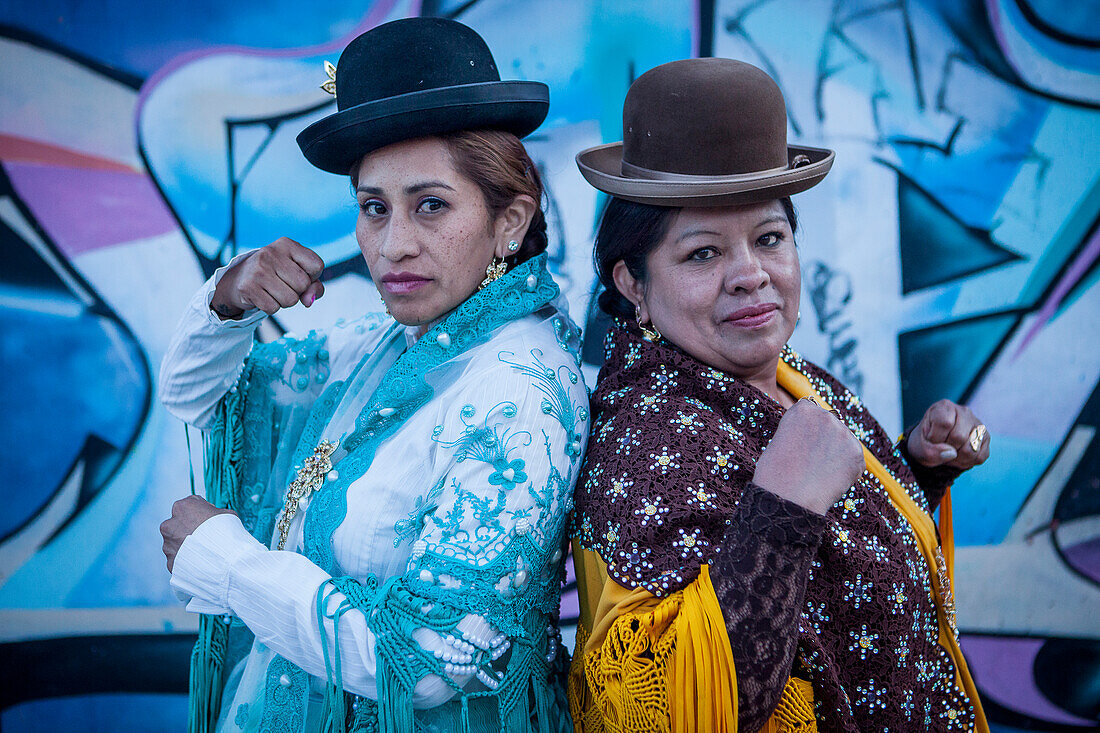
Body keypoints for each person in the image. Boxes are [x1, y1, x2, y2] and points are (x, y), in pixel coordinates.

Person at [158, 18, 587, 733]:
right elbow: (198, 395)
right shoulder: (382, 345)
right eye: (373, 208)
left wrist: (229, 563)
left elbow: (421, 660)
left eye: (430, 205)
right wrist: (230, 297)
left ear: (511, 219)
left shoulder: (522, 388)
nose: (392, 245)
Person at [566, 58, 991, 733]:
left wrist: (913, 471)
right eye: (702, 253)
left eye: (769, 238)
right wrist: (785, 505)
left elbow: (833, 585)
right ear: (632, 283)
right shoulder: (648, 442)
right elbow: (684, 710)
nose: (750, 275)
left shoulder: (786, 375)